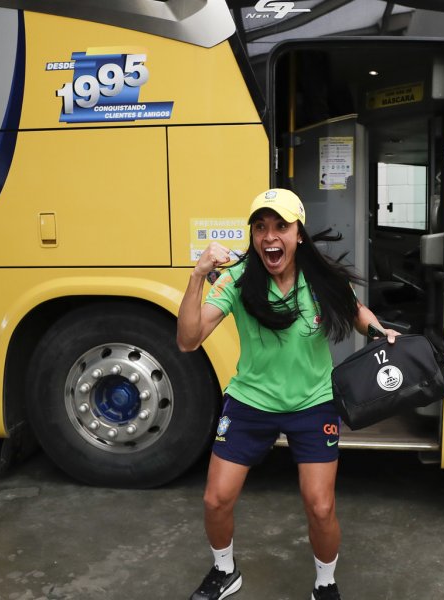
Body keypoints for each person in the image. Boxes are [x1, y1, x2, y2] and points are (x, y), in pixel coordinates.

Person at [177, 188, 398, 600]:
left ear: (299, 234)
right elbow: (189, 340)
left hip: (313, 404)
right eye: (260, 227)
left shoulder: (321, 280)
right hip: (250, 403)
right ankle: (225, 571)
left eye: (281, 226)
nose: (269, 236)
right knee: (215, 500)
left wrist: (379, 331)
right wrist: (196, 277)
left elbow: (355, 312)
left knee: (321, 507)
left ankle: (325, 583)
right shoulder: (237, 279)